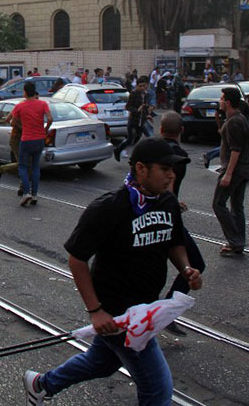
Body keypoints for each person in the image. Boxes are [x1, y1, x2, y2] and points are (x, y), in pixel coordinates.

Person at [23, 137, 202, 405]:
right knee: (158, 390)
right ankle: (42, 384)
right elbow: (77, 259)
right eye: (164, 169)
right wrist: (96, 311)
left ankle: (41, 384)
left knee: (102, 362)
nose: (171, 175)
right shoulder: (108, 208)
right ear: (141, 169)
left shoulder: (167, 202)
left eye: (172, 169)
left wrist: (186, 268)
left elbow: (174, 242)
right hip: (120, 314)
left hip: (147, 306)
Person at [158, 112, 205, 336]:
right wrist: (172, 202)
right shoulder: (178, 156)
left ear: (160, 129)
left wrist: (174, 200)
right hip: (165, 217)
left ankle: (158, 314)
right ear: (182, 131)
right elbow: (168, 186)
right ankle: (164, 314)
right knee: (195, 263)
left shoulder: (150, 149)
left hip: (153, 214)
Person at [212, 88, 249, 257]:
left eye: (222, 99)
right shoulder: (237, 119)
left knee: (218, 204)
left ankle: (235, 241)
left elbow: (235, 150)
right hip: (243, 170)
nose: (220, 101)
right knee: (236, 206)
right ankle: (238, 242)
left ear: (228, 102)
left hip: (235, 170)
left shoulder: (235, 121)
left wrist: (228, 174)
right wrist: (218, 121)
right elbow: (225, 135)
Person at [10, 81, 53, 206]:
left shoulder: (20, 106)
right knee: (35, 167)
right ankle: (34, 195)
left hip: (26, 139)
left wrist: (23, 126)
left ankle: (26, 193)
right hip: (40, 139)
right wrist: (45, 129)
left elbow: (12, 121)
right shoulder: (43, 103)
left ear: (24, 92)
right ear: (34, 92)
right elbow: (50, 119)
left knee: (23, 166)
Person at [114, 76, 151, 161]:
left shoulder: (146, 94)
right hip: (133, 120)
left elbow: (144, 106)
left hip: (141, 120)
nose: (142, 88)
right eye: (140, 86)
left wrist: (147, 114)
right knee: (130, 139)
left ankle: (134, 155)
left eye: (144, 85)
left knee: (138, 138)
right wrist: (137, 110)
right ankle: (118, 150)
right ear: (137, 85)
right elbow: (128, 107)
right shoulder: (134, 93)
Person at [0, 107, 25, 196]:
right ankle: (0, 169)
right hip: (17, 139)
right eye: (36, 98)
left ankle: (22, 188)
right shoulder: (21, 106)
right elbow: (10, 120)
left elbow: (8, 119)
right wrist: (23, 128)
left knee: (25, 164)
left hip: (25, 139)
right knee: (23, 163)